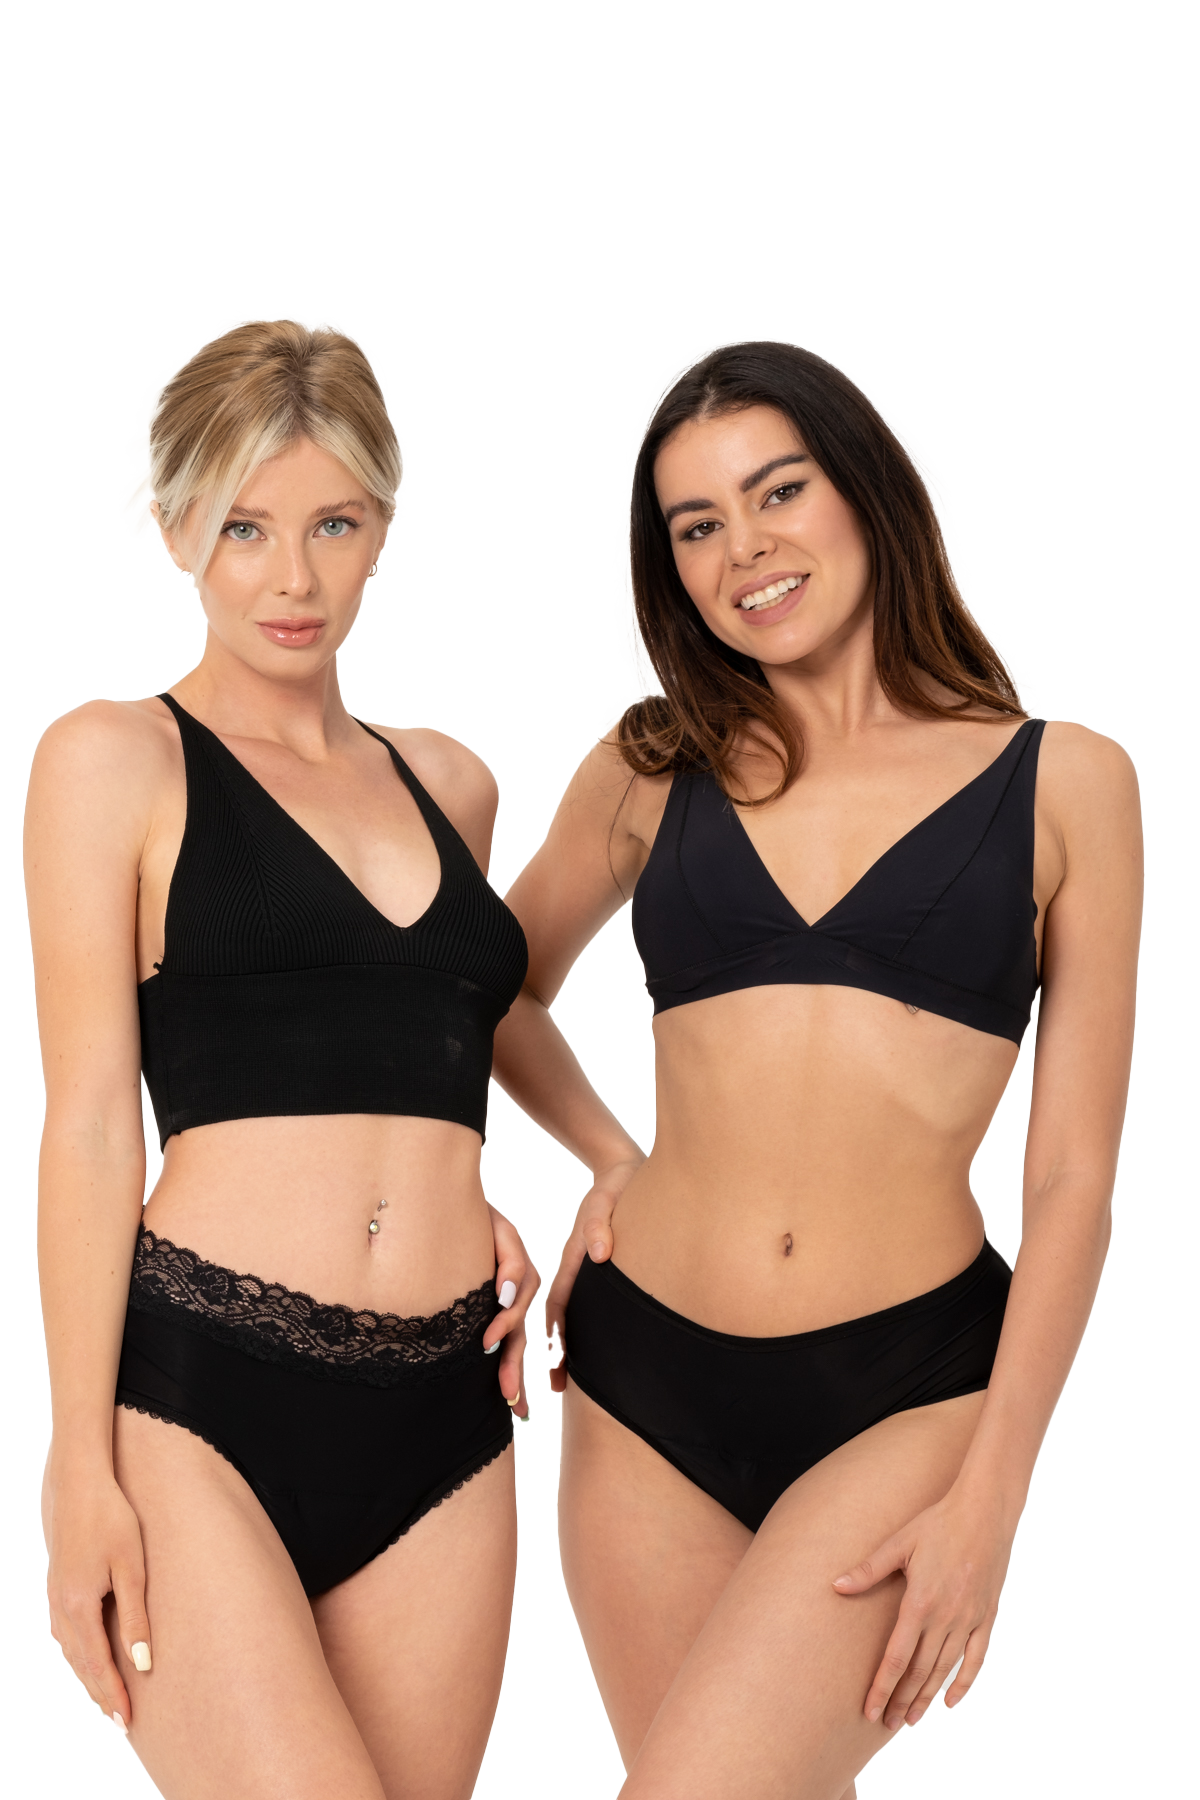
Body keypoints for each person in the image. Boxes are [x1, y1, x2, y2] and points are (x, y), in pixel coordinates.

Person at [493, 338, 1142, 1799]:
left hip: (908, 1392)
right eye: (697, 524)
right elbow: (484, 990)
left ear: (863, 489)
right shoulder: (650, 765)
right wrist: (608, 1155)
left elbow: (1072, 1176)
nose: (745, 549)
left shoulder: (1069, 783)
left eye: (778, 491)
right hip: (644, 1387)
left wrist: (995, 1496)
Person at [26, 318, 538, 1800]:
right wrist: (75, 1465)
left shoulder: (451, 782)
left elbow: (429, 1032)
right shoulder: (112, 759)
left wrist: (504, 1182)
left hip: (447, 1411)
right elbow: (87, 1125)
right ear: (178, 526)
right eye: (245, 527)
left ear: (384, 526)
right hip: (204, 1398)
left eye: (335, 523)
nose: (293, 578)